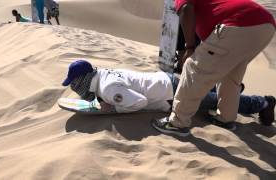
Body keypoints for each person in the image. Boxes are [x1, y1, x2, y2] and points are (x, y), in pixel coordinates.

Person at [152, 0, 276, 136]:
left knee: (193, 68)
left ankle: (177, 122)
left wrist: (190, 47)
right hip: (266, 25)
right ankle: (225, 119)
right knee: (231, 74)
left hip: (238, 22)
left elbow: (186, 9)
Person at [61, 60, 275, 131]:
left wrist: (114, 108)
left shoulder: (108, 89)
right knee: (214, 94)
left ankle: (262, 103)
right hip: (167, 81)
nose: (76, 88)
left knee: (222, 102)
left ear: (85, 80)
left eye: (76, 84)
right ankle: (228, 89)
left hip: (174, 93)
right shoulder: (103, 74)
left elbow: (139, 102)